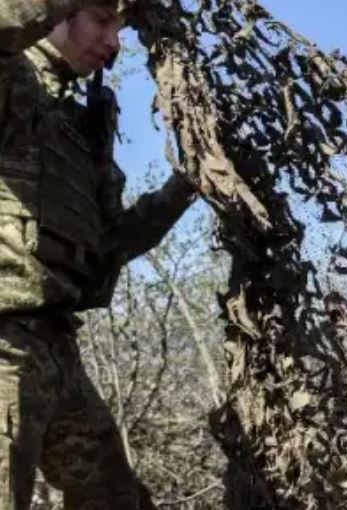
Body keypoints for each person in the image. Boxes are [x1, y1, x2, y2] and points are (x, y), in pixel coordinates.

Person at [0, 1, 198, 507]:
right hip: (5, 342)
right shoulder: (13, 82)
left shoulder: (77, 120)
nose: (114, 42)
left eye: (122, 28)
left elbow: (108, 243)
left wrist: (186, 186)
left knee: (115, 499)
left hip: (54, 344)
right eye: (104, 21)